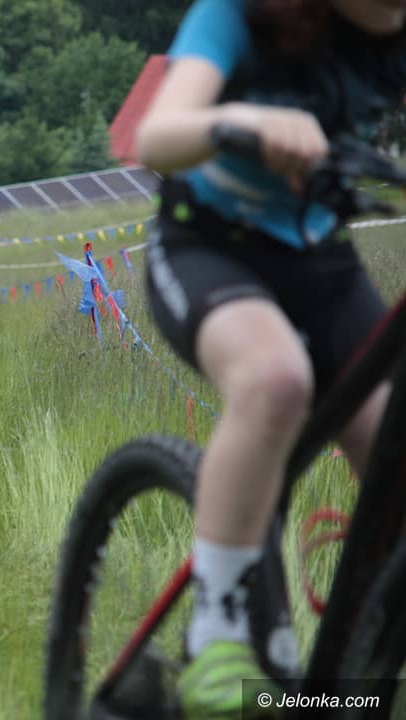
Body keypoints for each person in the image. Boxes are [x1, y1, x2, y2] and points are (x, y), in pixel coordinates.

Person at [135, 1, 404, 716]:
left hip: (323, 263)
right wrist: (241, 121)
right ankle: (215, 630)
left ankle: (354, 665)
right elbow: (156, 137)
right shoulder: (238, 14)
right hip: (207, 247)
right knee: (275, 382)